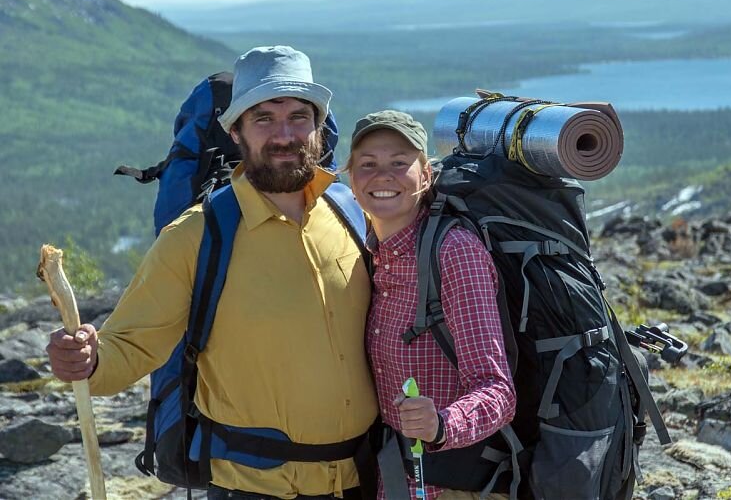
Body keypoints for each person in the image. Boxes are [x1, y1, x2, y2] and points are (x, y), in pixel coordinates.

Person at [46, 46, 379, 500]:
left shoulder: (352, 213)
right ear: (235, 132)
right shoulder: (197, 235)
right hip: (252, 488)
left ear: (320, 128)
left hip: (366, 479)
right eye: (263, 118)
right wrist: (87, 359)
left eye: (299, 117)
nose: (284, 134)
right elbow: (130, 345)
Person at [346, 110, 516, 500]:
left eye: (399, 163)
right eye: (367, 164)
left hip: (458, 484)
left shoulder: (454, 253)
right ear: (350, 178)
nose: (382, 175)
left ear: (425, 175)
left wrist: (441, 425)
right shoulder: (371, 252)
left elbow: (497, 391)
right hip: (397, 476)